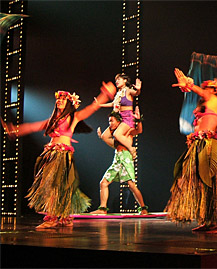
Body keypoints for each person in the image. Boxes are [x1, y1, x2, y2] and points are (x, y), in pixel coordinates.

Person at [1, 83, 116, 228]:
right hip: (50, 154)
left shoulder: (73, 117)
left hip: (62, 155)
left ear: (68, 102)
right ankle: (63, 216)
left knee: (56, 186)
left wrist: (105, 94)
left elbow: (92, 107)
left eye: (63, 99)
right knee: (54, 185)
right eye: (58, 99)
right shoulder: (52, 121)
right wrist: (14, 130)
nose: (59, 101)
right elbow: (32, 126)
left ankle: (53, 218)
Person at [164, 68, 217, 234]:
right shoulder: (211, 105)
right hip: (201, 144)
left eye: (209, 88)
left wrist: (190, 85)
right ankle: (210, 220)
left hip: (208, 146)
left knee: (207, 182)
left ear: (216, 91)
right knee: (202, 184)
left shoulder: (213, 99)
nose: (206, 91)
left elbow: (202, 93)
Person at [90, 107, 148, 215]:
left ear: (119, 122)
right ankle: (102, 209)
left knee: (131, 185)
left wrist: (138, 120)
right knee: (103, 183)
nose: (110, 123)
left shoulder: (127, 131)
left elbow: (139, 130)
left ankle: (143, 208)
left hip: (125, 158)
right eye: (109, 121)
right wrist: (102, 136)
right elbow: (108, 139)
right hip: (117, 158)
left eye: (112, 121)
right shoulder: (115, 135)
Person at [97, 74, 141, 159]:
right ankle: (122, 148)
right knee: (104, 137)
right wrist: (100, 104)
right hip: (119, 118)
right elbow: (113, 104)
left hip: (128, 118)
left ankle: (131, 149)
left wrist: (138, 89)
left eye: (119, 79)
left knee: (117, 134)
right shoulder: (118, 94)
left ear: (125, 80)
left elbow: (136, 93)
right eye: (116, 80)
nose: (117, 81)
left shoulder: (128, 91)